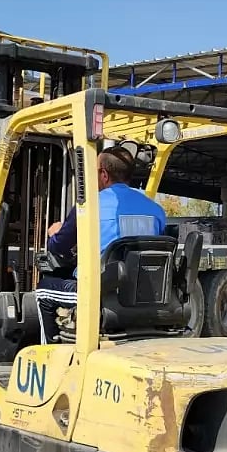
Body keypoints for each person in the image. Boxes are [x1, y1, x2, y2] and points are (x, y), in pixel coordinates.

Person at [34, 146, 167, 344]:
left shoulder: (89, 206)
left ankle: (50, 354)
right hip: (144, 292)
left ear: (104, 174)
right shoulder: (156, 210)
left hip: (101, 291)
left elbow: (58, 248)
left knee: (44, 290)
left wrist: (55, 233)